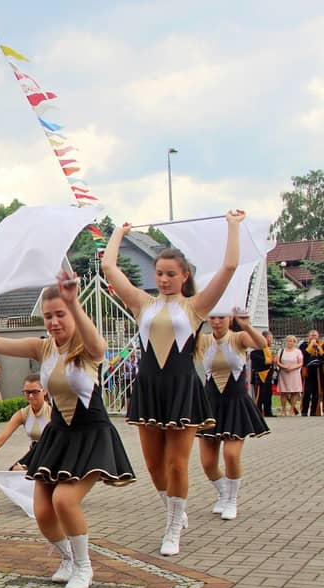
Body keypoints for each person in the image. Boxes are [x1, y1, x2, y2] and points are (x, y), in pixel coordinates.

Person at [0, 274, 134, 588]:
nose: (54, 322)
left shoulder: (87, 348)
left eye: (61, 314)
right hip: (59, 435)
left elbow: (99, 344)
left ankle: (84, 566)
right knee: (43, 512)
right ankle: (68, 558)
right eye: (48, 316)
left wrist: (73, 301)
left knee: (65, 501)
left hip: (91, 434)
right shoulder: (43, 348)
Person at [102, 211, 243, 556]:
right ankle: (174, 510)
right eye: (159, 274)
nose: (164, 280)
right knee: (153, 466)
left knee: (177, 463)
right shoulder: (142, 303)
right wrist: (119, 231)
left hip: (182, 390)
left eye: (170, 274)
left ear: (184, 276)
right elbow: (108, 266)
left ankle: (173, 527)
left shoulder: (196, 307)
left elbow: (228, 267)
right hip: (149, 388)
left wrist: (233, 226)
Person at [196, 308, 269, 521]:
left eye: (221, 317)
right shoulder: (203, 340)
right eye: (213, 317)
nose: (217, 321)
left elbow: (262, 344)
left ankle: (232, 500)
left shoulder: (239, 337)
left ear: (229, 319)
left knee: (231, 455)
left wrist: (246, 325)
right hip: (210, 404)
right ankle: (223, 492)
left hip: (236, 403)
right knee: (208, 463)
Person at [0, 374, 51, 472]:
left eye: (35, 392)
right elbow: (1, 438)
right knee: (16, 470)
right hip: (34, 455)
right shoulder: (22, 414)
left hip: (51, 454)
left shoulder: (53, 413)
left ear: (45, 391)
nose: (31, 396)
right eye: (27, 392)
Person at [249, 330, 276, 417]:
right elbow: (259, 359)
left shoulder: (268, 350)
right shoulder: (256, 350)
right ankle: (258, 412)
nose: (271, 340)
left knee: (268, 395)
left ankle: (268, 412)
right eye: (270, 338)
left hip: (268, 376)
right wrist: (269, 360)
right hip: (260, 376)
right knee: (260, 395)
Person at [276, 335, 304, 417]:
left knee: (294, 392)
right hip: (284, 373)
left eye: (292, 341)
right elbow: (277, 361)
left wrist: (292, 368)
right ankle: (283, 410)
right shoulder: (281, 351)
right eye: (288, 341)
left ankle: (292, 410)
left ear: (295, 342)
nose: (290, 342)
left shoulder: (298, 352)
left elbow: (300, 363)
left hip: (294, 373)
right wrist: (284, 367)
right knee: (283, 392)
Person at [299, 329, 324, 416]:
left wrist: (318, 348)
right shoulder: (303, 345)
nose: (313, 337)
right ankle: (304, 411)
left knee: (317, 392)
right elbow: (303, 355)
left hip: (319, 371)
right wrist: (310, 346)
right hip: (307, 371)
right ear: (308, 337)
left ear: (318, 336)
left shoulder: (322, 344)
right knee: (307, 391)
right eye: (312, 335)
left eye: (315, 335)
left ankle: (314, 411)